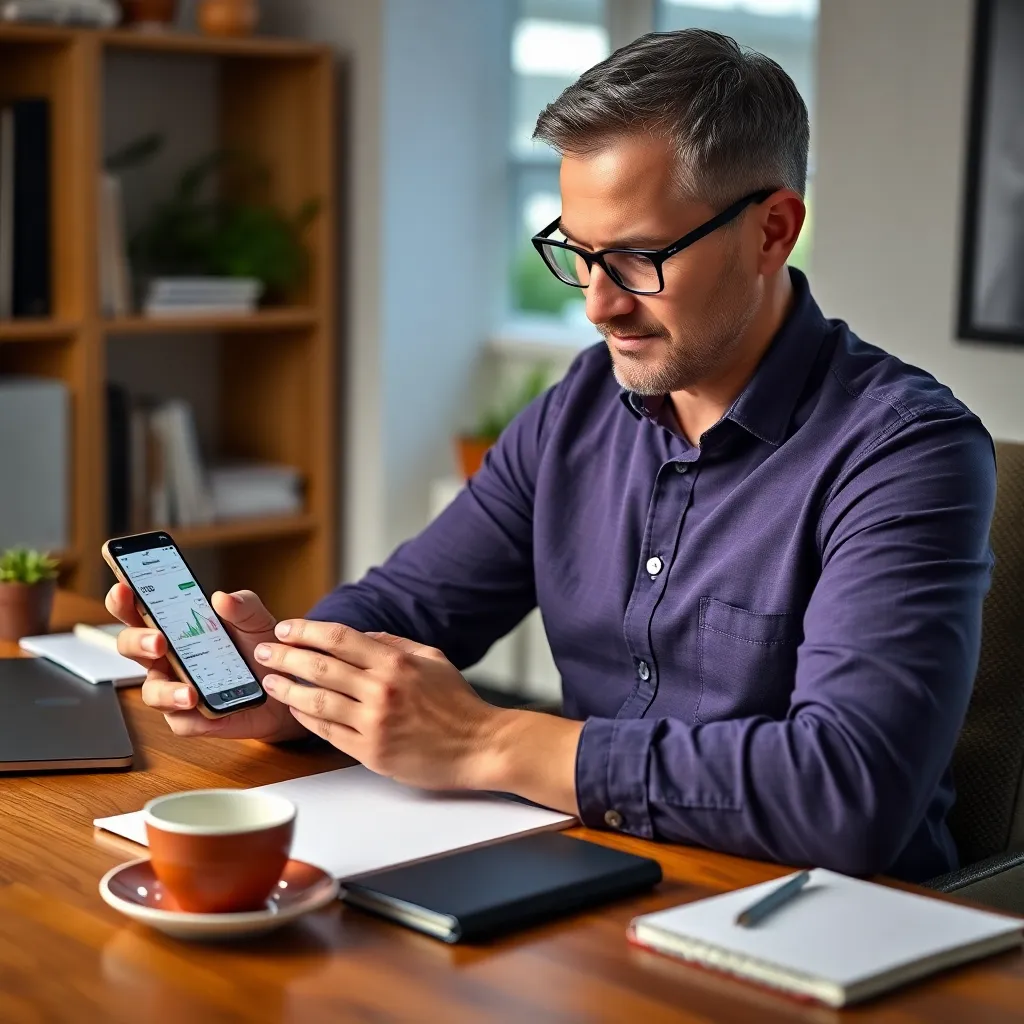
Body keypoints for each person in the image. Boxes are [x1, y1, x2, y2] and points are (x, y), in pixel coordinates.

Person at [108, 29, 995, 883]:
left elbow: (851, 790)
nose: (598, 305)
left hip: (827, 930)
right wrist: (290, 686)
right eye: (578, 253)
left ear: (772, 231)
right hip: (599, 884)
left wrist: (489, 742)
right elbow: (413, 604)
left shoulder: (905, 453)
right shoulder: (581, 404)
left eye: (639, 258)